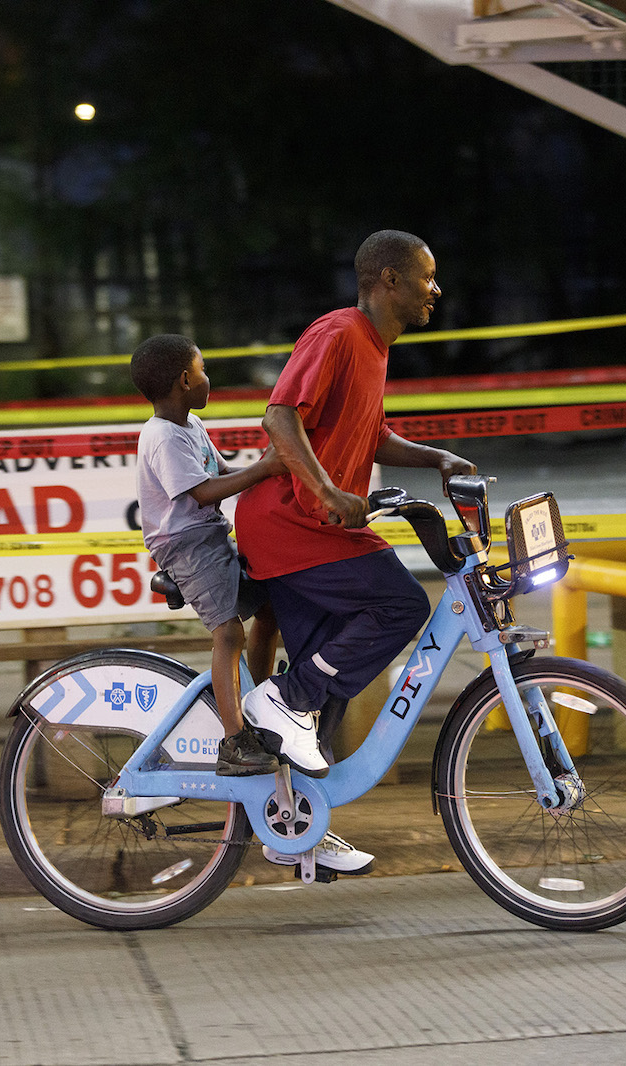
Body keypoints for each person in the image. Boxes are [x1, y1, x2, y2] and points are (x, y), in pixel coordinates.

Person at [234, 229, 475, 876]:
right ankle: (281, 701)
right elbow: (279, 417)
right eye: (427, 276)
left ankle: (296, 822)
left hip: (319, 525)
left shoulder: (374, 347)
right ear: (388, 280)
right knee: (398, 606)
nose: (436, 289)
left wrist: (436, 458)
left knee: (327, 687)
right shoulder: (338, 333)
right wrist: (328, 489)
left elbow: (370, 432)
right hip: (292, 523)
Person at [131, 333, 283, 776]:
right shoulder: (162, 437)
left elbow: (223, 473)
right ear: (184, 380)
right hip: (186, 545)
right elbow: (203, 491)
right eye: (202, 371)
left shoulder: (191, 427)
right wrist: (265, 468)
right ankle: (234, 739)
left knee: (271, 606)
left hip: (210, 536)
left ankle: (258, 704)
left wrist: (269, 466)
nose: (207, 380)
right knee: (229, 634)